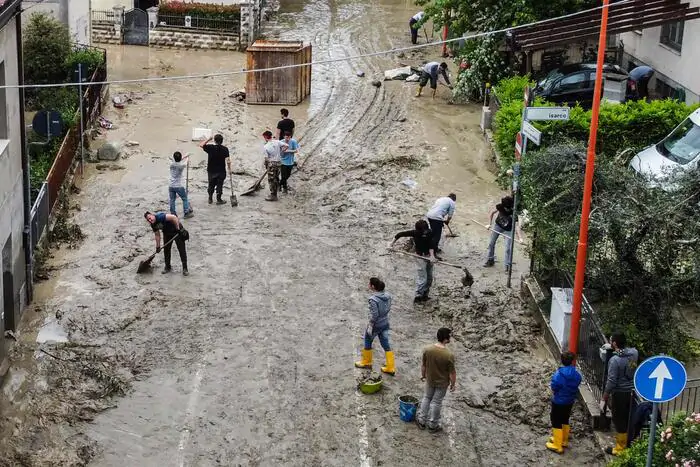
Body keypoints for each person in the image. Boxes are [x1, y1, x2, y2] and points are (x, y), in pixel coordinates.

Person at [602, 332, 638, 456]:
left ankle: (620, 448)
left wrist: (606, 395)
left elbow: (612, 380)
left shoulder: (615, 360)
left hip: (620, 393)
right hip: (632, 392)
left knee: (619, 420)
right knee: (628, 418)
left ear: (615, 343)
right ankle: (629, 443)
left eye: (611, 341)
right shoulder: (634, 353)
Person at [416, 328, 456, 433]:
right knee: (436, 402)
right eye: (449, 336)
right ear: (446, 339)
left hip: (430, 380)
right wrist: (453, 384)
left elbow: (423, 365)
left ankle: (421, 420)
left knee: (426, 398)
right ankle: (433, 425)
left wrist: (423, 375)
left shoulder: (427, 349)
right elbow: (452, 373)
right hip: (442, 383)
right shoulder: (449, 355)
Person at [354, 277, 395, 375]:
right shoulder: (388, 296)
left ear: (373, 286)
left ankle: (367, 361)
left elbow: (375, 315)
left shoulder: (373, 299)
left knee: (368, 340)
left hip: (376, 325)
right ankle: (390, 367)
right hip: (385, 323)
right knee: (385, 343)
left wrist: (371, 325)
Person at [390, 219, 437, 303]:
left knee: (429, 277)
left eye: (426, 230)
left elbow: (432, 245)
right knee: (423, 278)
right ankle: (418, 296)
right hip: (419, 257)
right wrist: (391, 244)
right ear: (418, 230)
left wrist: (432, 256)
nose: (425, 232)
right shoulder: (415, 233)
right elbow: (399, 234)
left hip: (429, 256)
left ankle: (425, 294)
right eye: (423, 231)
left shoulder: (430, 232)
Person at [546, 351, 582, 454]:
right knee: (565, 419)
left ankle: (557, 445)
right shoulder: (576, 374)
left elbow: (554, 386)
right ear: (572, 361)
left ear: (562, 361)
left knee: (556, 420)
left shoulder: (559, 374)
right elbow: (579, 380)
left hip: (558, 401)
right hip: (570, 401)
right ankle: (564, 440)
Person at [483, 195, 523, 272]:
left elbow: (517, 226)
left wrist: (520, 238)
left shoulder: (514, 213)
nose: (505, 209)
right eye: (505, 207)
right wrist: (489, 224)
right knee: (491, 243)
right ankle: (490, 260)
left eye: (507, 208)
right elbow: (492, 213)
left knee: (508, 248)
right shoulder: (500, 206)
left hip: (508, 230)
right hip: (498, 226)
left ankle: (507, 266)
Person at [144, 211, 189, 276]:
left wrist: (178, 229)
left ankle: (185, 268)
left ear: (152, 215)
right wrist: (158, 247)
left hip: (177, 231)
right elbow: (157, 235)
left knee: (181, 250)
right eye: (148, 220)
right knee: (166, 250)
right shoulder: (153, 225)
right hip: (167, 233)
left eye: (150, 218)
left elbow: (174, 217)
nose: (150, 220)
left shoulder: (160, 217)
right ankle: (167, 267)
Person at [199, 134, 232, 205]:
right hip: (221, 171)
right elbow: (228, 160)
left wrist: (208, 139)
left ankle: (210, 198)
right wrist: (229, 169)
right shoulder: (225, 149)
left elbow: (201, 145)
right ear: (222, 141)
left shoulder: (210, 147)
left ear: (214, 140)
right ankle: (219, 200)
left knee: (211, 184)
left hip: (211, 170)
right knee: (220, 185)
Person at [262, 130, 288, 201]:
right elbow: (286, 145)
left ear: (265, 137)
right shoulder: (277, 142)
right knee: (276, 178)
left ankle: (273, 195)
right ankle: (275, 193)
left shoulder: (266, 146)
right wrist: (281, 151)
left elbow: (266, 158)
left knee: (271, 180)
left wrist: (267, 165)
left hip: (272, 164)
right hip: (279, 163)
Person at [168, 151, 193, 218]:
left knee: (172, 200)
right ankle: (186, 212)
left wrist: (185, 156)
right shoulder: (181, 166)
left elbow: (176, 160)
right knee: (184, 198)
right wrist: (187, 157)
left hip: (171, 185)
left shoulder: (171, 164)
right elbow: (186, 162)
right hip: (178, 186)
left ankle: (173, 213)